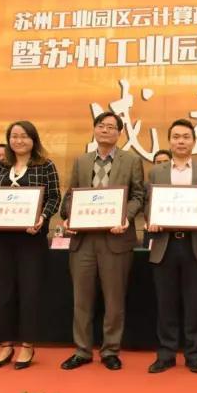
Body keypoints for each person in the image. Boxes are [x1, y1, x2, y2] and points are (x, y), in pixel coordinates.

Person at [59, 112, 145, 371]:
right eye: (101, 126)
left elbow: (138, 195)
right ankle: (82, 351)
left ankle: (110, 350)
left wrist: (126, 217)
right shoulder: (82, 161)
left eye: (111, 127)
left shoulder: (132, 161)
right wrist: (69, 216)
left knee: (114, 301)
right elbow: (71, 196)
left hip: (116, 239)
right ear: (94, 130)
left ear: (120, 132)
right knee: (81, 300)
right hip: (84, 241)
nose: (105, 130)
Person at [0, 121, 61, 370]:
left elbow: (54, 197)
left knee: (30, 291)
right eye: (14, 136)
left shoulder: (45, 165)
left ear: (33, 139)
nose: (18, 140)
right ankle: (5, 345)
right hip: (3, 239)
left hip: (31, 239)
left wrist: (42, 218)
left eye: (24, 136)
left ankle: (27, 346)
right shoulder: (1, 166)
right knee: (3, 292)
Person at [146, 119, 197, 374]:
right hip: (165, 244)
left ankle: (194, 355)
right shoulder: (157, 172)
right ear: (169, 141)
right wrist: (151, 219)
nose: (181, 141)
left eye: (186, 137)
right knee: (166, 303)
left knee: (194, 304)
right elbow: (149, 204)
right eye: (176, 137)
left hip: (194, 244)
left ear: (193, 142)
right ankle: (165, 354)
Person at [142, 149, 173, 248]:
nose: (162, 165)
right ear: (153, 165)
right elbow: (142, 206)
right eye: (158, 163)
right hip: (153, 230)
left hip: (177, 232)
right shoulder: (146, 186)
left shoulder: (179, 183)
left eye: (166, 162)